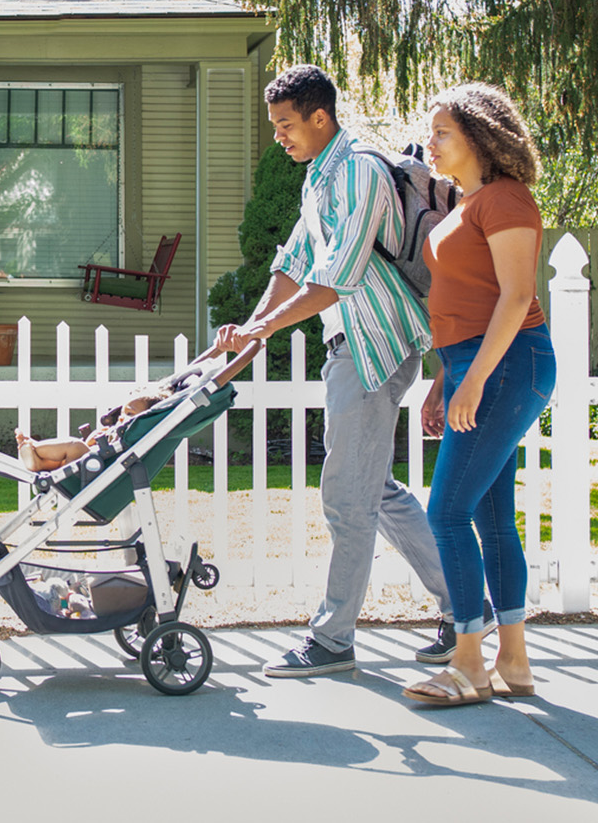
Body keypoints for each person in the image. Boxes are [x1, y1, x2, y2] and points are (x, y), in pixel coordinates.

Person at [220, 65, 461, 678]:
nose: (278, 137)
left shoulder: (354, 170)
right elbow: (294, 261)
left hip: (373, 343)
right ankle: (467, 608)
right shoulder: (320, 178)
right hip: (352, 341)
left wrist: (263, 330)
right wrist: (248, 334)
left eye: (285, 125)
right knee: (372, 488)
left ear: (319, 118)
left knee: (347, 496)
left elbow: (337, 278)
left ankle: (333, 640)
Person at [401, 83, 557, 708]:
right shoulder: (470, 205)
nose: (430, 144)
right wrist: (447, 375)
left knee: (446, 512)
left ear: (479, 138)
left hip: (510, 361)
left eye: (442, 134)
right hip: (478, 362)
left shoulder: (506, 200)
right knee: (491, 516)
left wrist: (474, 378)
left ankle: (467, 660)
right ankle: (513, 663)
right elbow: (472, 300)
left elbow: (517, 298)